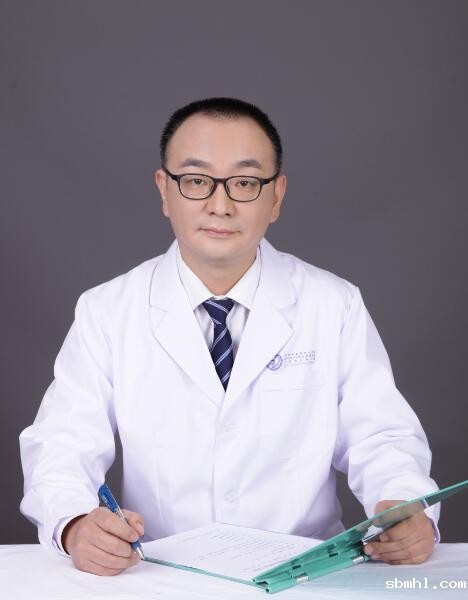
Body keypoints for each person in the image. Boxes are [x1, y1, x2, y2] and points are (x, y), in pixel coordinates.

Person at [20, 97, 439, 577]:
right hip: (159, 573)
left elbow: (381, 436)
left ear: (276, 196)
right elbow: (61, 443)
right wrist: (75, 524)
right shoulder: (107, 310)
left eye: (244, 183)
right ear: (164, 190)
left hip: (304, 573)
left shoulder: (333, 304)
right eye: (196, 180)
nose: (220, 206)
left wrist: (405, 505)